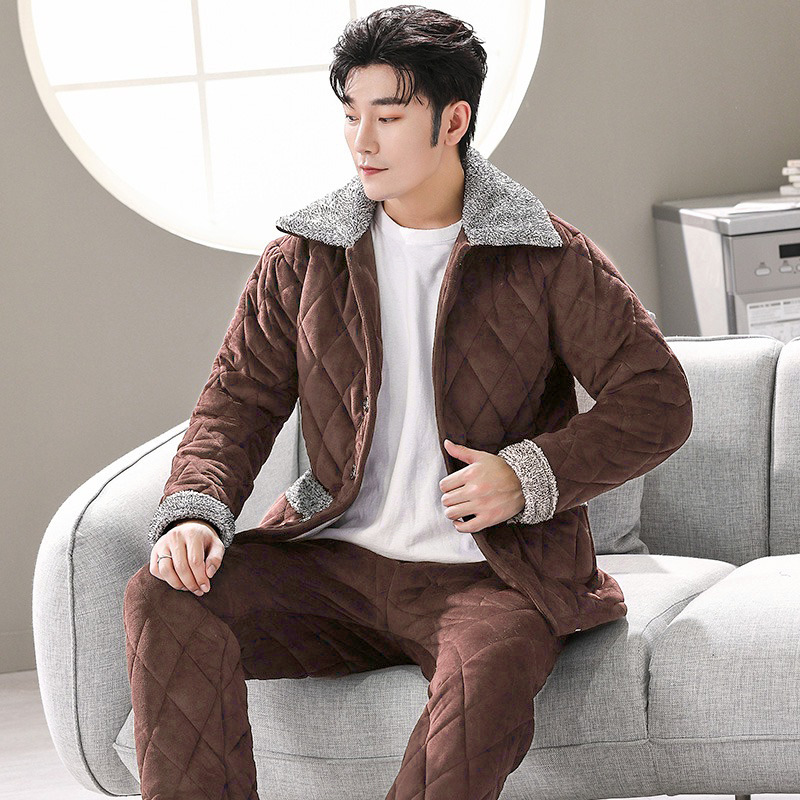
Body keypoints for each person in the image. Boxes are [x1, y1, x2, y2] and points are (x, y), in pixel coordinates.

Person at [123, 5, 693, 800]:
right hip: (332, 564)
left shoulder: (546, 255)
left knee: (488, 678)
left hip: (492, 578)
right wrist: (196, 510)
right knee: (164, 595)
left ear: (452, 121)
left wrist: (528, 475)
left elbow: (658, 400)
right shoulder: (303, 257)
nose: (362, 141)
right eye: (350, 114)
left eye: (388, 118)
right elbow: (237, 401)